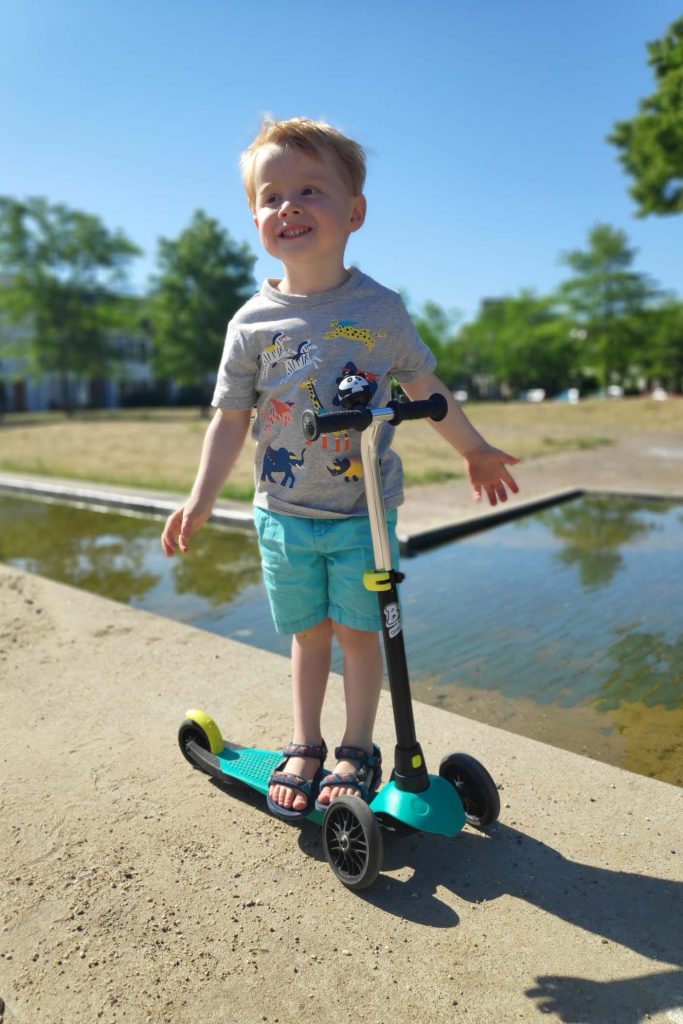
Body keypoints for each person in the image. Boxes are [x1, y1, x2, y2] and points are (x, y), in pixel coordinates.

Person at [161, 117, 520, 821]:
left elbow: (423, 386)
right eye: (270, 197)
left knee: (360, 634)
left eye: (308, 190)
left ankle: (357, 747)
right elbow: (231, 417)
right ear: (255, 217)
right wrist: (202, 497)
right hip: (283, 514)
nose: (287, 207)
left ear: (353, 212)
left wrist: (472, 448)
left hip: (363, 516)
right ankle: (306, 742)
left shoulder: (379, 310)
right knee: (308, 634)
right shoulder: (251, 324)